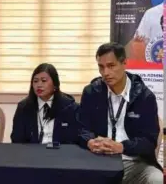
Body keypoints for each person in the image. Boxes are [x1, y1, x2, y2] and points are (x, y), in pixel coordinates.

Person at [78, 42, 162, 184]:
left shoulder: (144, 97)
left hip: (133, 163)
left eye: (111, 66)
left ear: (124, 63)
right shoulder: (91, 93)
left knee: (157, 179)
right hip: (97, 162)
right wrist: (90, 141)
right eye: (101, 67)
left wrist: (122, 146)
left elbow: (149, 142)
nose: (105, 73)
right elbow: (80, 129)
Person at [11, 63, 79, 144]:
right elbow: (17, 139)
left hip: (61, 154)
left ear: (55, 84)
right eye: (35, 81)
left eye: (44, 81)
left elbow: (75, 138)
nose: (39, 85)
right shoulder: (23, 107)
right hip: (32, 154)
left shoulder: (69, 107)